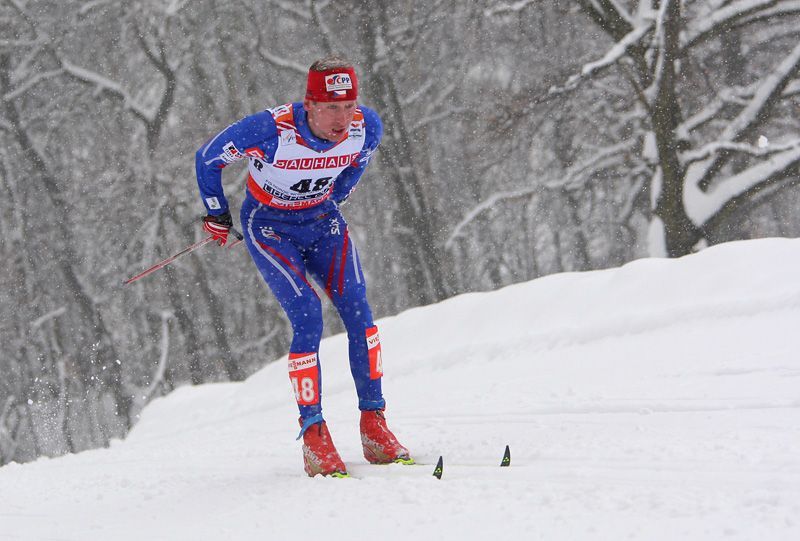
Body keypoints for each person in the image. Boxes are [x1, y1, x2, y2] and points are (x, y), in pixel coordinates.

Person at [194, 56, 411, 477]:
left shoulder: (368, 126)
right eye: (331, 107)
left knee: (361, 316)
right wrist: (216, 214)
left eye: (349, 106)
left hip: (322, 221)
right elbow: (208, 158)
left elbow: (359, 161)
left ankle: (374, 425)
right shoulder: (271, 130)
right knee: (309, 317)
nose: (342, 119)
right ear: (309, 104)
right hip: (271, 227)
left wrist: (337, 194)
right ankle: (314, 435)